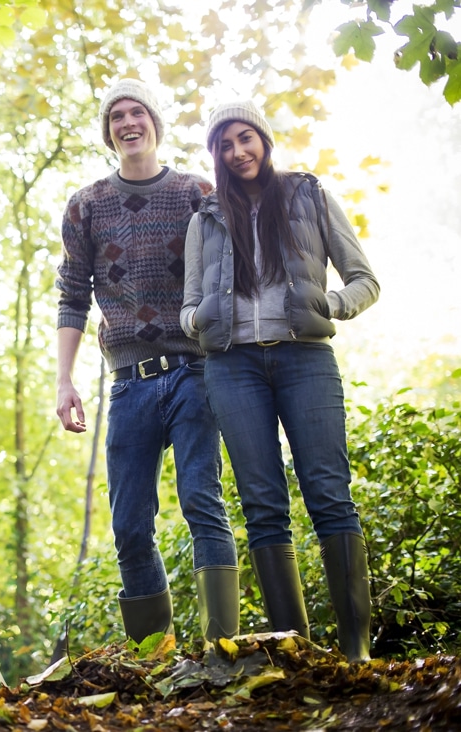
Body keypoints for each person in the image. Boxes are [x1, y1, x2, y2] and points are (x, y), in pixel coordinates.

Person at [180, 100, 379, 662]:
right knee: (263, 504)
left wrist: (332, 304)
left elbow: (365, 279)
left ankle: (355, 649)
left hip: (305, 360)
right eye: (225, 144)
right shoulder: (206, 217)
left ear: (264, 140)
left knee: (328, 493)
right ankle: (298, 653)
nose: (238, 151)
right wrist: (197, 321)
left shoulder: (309, 196)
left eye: (246, 138)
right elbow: (188, 304)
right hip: (232, 367)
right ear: (215, 155)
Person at [56, 79, 240, 645]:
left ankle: (221, 648)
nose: (128, 123)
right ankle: (154, 658)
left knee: (200, 500)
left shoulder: (195, 192)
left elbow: (229, 275)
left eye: (138, 113)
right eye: (117, 117)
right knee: (129, 524)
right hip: (129, 383)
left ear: (155, 125)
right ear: (109, 132)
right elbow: (71, 295)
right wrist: (64, 381)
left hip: (194, 373)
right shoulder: (86, 205)